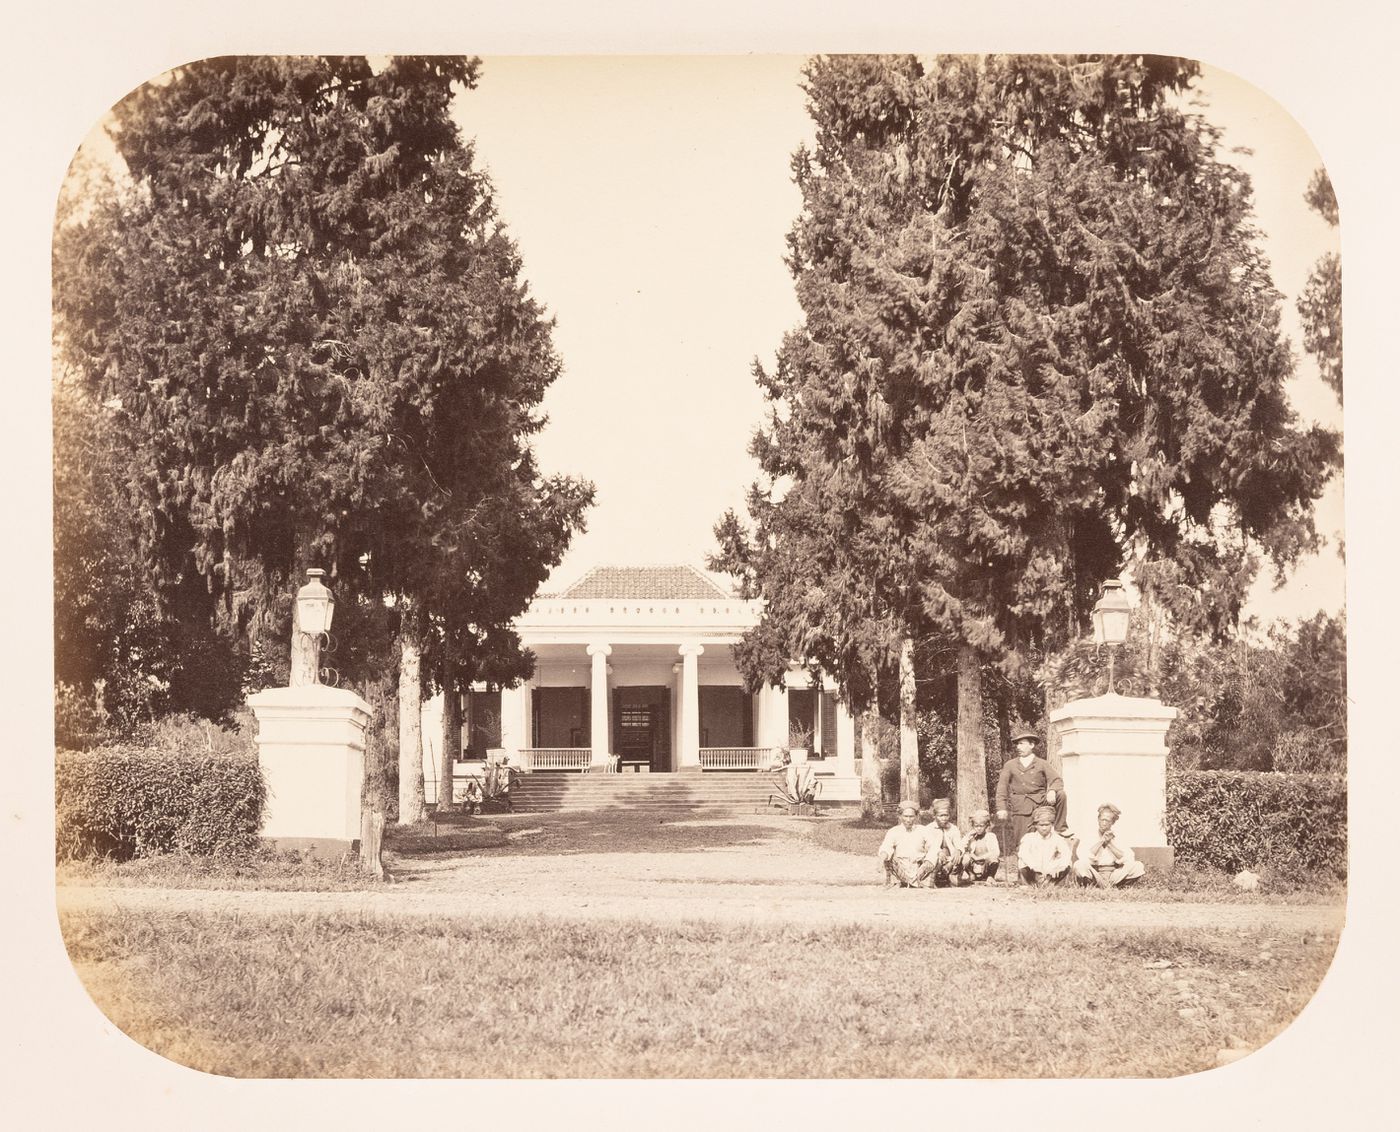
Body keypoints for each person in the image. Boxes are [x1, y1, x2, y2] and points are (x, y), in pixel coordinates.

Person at [995, 727, 1067, 855]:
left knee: (1061, 794)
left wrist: (1052, 791)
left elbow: (1057, 780)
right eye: (1017, 744)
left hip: (1040, 803)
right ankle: (1023, 873)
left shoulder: (1041, 763)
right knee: (1022, 845)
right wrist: (1001, 808)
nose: (1018, 747)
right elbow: (1001, 788)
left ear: (1032, 745)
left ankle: (1060, 828)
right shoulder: (1010, 765)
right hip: (1021, 807)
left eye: (1022, 743)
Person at [1073, 803, 1146, 889]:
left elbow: (1129, 858)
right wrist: (1101, 842)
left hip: (1114, 874)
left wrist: (1110, 844)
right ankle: (1092, 886)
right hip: (1095, 873)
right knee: (1079, 864)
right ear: (1098, 819)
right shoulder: (1089, 836)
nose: (1104, 823)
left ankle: (1119, 887)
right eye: (1102, 820)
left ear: (1113, 822)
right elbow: (1083, 857)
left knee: (1137, 866)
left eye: (1107, 821)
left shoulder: (1119, 837)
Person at [1017, 805, 1072, 886]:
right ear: (1035, 825)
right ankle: (1031, 884)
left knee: (1067, 864)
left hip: (1051, 872)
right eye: (1041, 825)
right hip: (1034, 871)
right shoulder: (1028, 838)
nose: (1044, 828)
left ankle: (1050, 883)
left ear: (1052, 825)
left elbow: (1066, 854)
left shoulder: (1058, 839)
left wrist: (1057, 867)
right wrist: (1035, 867)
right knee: (1022, 862)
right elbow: (1024, 854)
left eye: (1047, 825)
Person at [878, 802, 931, 888]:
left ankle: (923, 882)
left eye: (911, 816)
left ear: (916, 817)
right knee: (889, 857)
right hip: (901, 868)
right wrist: (881, 859)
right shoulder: (894, 831)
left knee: (934, 856)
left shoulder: (923, 830)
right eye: (905, 816)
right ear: (900, 816)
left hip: (919, 868)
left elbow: (932, 847)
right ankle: (896, 881)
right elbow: (887, 847)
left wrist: (927, 861)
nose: (908, 820)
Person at [921, 800, 964, 887]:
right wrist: (938, 852)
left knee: (965, 858)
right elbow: (930, 845)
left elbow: (958, 843)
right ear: (934, 816)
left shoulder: (953, 828)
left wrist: (958, 850)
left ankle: (952, 876)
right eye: (941, 816)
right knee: (934, 857)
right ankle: (935, 877)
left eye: (946, 815)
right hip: (935, 859)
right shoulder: (928, 829)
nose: (944, 818)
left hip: (950, 860)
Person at [956, 808, 1001, 885]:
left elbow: (996, 852)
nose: (979, 828)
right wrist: (968, 836)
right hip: (974, 865)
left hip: (985, 865)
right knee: (965, 857)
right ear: (973, 826)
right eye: (976, 826)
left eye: (981, 826)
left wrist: (980, 858)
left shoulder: (990, 836)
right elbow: (961, 847)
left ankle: (990, 876)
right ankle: (971, 874)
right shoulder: (971, 837)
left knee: (994, 857)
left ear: (986, 826)